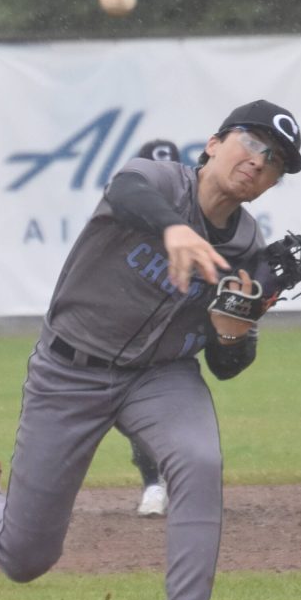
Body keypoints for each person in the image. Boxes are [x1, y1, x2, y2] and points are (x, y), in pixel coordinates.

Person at [0, 98, 301, 600]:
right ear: (214, 143)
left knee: (200, 462)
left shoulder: (246, 246)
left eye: (276, 161)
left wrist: (239, 325)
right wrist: (173, 227)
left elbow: (226, 362)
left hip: (160, 378)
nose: (260, 162)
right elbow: (128, 187)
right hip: (69, 370)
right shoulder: (159, 182)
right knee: (25, 557)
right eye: (253, 143)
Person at [127, 138, 182, 517]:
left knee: (176, 408)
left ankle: (174, 481)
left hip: (175, 330)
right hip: (128, 330)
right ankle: (153, 483)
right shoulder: (122, 216)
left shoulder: (196, 216)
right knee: (135, 414)